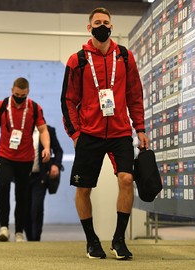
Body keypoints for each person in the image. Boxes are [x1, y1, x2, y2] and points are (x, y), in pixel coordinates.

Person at [60, 7, 148, 260]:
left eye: (106, 22)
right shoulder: (77, 60)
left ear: (112, 26)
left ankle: (119, 240)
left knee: (127, 180)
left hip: (120, 131)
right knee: (84, 189)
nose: (102, 25)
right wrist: (75, 134)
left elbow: (135, 95)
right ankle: (92, 241)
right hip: (89, 133)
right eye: (97, 22)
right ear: (89, 28)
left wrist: (139, 128)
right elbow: (68, 99)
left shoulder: (125, 57)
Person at [0, 77, 51, 242]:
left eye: (23, 95)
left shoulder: (34, 108)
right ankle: (3, 228)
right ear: (12, 90)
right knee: (4, 187)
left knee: (22, 194)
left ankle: (19, 231)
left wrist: (46, 147)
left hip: (25, 158)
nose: (20, 98)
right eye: (17, 94)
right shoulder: (2, 106)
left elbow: (43, 130)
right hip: (5, 155)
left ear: (28, 93)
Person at [25, 125, 64, 241]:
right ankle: (29, 238)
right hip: (24, 177)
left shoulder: (49, 131)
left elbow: (58, 150)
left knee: (36, 208)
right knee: (25, 209)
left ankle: (36, 238)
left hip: (40, 177)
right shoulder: (22, 128)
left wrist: (56, 165)